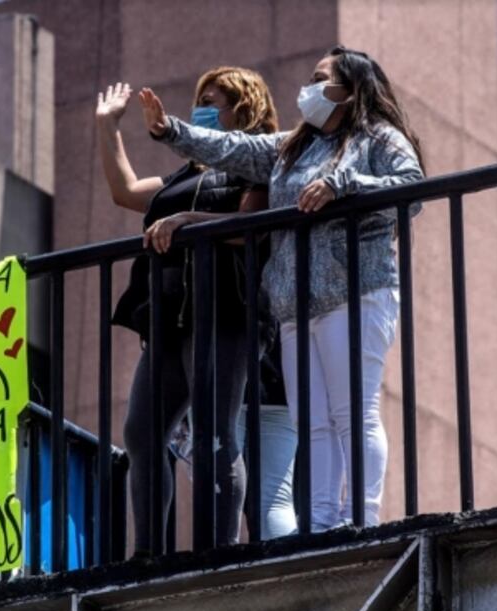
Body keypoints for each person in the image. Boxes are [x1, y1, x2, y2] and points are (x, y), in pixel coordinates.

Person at [140, 46, 425, 531]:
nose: (308, 89)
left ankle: (359, 518)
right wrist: (171, 131)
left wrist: (344, 184)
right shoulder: (295, 146)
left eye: (320, 79)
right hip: (294, 301)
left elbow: (410, 188)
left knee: (352, 412)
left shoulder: (377, 136)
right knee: (311, 422)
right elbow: (234, 149)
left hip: (355, 291)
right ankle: (319, 523)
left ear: (350, 89)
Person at [95, 67, 280, 551]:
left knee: (214, 433)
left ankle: (215, 551)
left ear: (245, 107)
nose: (202, 109)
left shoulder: (256, 161)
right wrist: (107, 126)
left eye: (212, 101)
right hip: (170, 317)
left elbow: (251, 225)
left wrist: (187, 221)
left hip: (226, 311)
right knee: (141, 431)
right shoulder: (185, 175)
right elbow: (125, 192)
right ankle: (148, 555)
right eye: (200, 100)